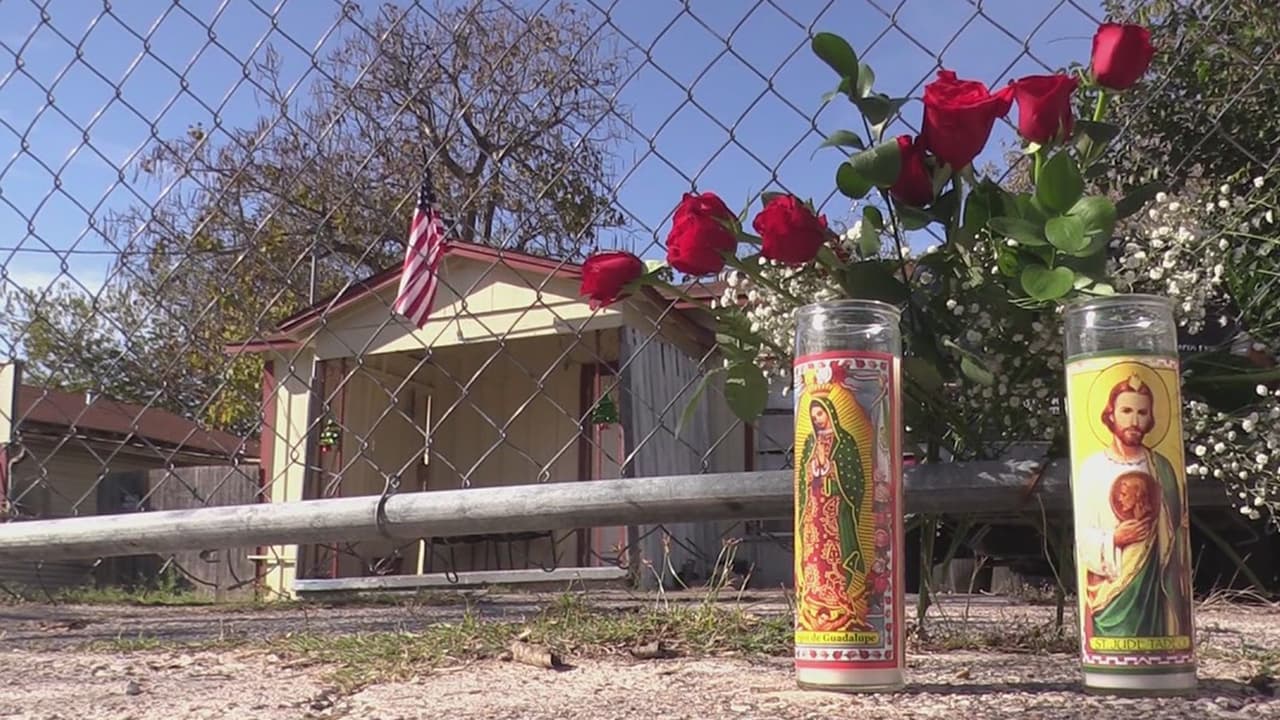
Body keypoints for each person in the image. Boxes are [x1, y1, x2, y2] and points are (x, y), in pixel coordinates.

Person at [1076, 374, 1190, 639]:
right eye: (1126, 411)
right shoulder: (1093, 468)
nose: (1134, 421)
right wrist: (1114, 538)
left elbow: (1177, 529)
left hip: (1156, 584)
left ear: (1151, 418)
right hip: (1112, 588)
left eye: (1142, 412)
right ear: (1111, 414)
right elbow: (1083, 532)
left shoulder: (1162, 468)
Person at [796, 394, 874, 633]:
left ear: (830, 413)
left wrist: (831, 468)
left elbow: (855, 476)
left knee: (836, 552)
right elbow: (802, 475)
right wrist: (813, 469)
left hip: (837, 508)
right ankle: (814, 596)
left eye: (820, 413)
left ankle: (839, 599)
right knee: (815, 551)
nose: (817, 419)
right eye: (813, 415)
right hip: (814, 507)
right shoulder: (811, 441)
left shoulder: (844, 441)